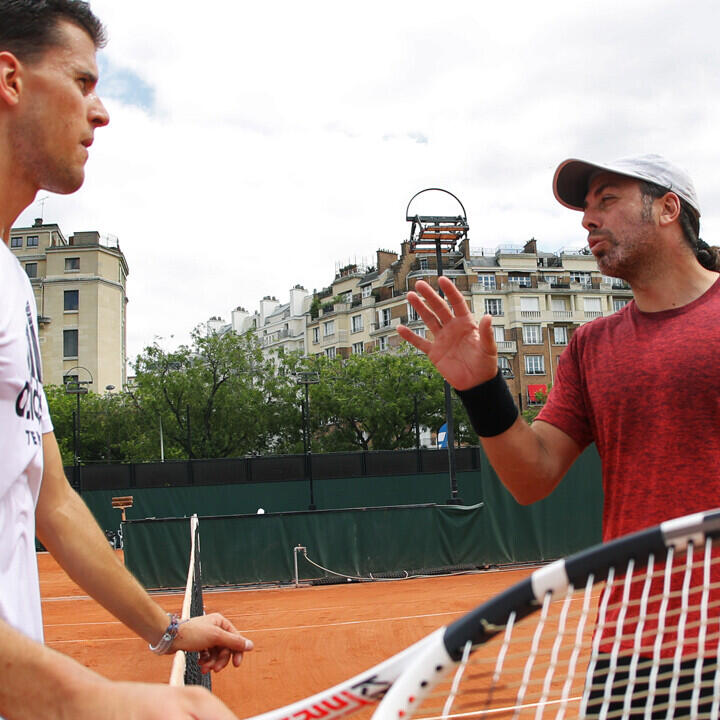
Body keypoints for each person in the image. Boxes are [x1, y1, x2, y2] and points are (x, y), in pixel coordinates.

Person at [399, 153, 720, 715]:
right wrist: (481, 389)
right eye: (585, 208)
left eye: (607, 200)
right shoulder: (591, 347)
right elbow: (532, 476)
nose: (587, 220)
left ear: (669, 208)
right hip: (632, 649)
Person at [0, 2, 251, 718]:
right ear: (10, 80)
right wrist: (108, 705)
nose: (101, 110)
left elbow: (52, 499)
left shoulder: (13, 281)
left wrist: (169, 631)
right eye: (82, 82)